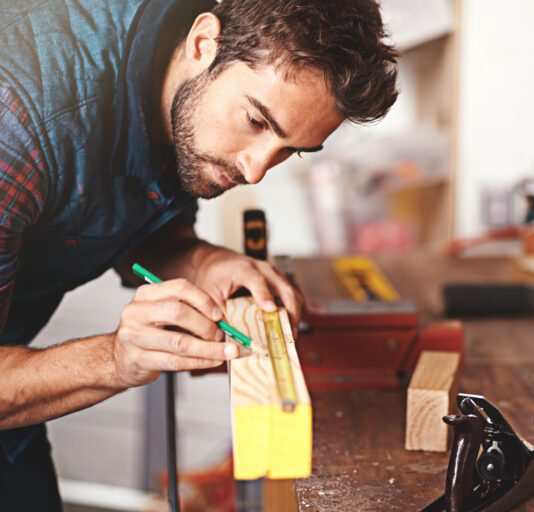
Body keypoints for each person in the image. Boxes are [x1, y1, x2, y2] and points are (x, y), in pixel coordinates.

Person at [0, 0, 398, 509]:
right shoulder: (19, 118)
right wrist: (116, 359)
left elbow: (110, 218)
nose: (256, 171)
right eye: (256, 121)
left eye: (289, 151)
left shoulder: (184, 88)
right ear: (202, 43)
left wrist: (202, 259)